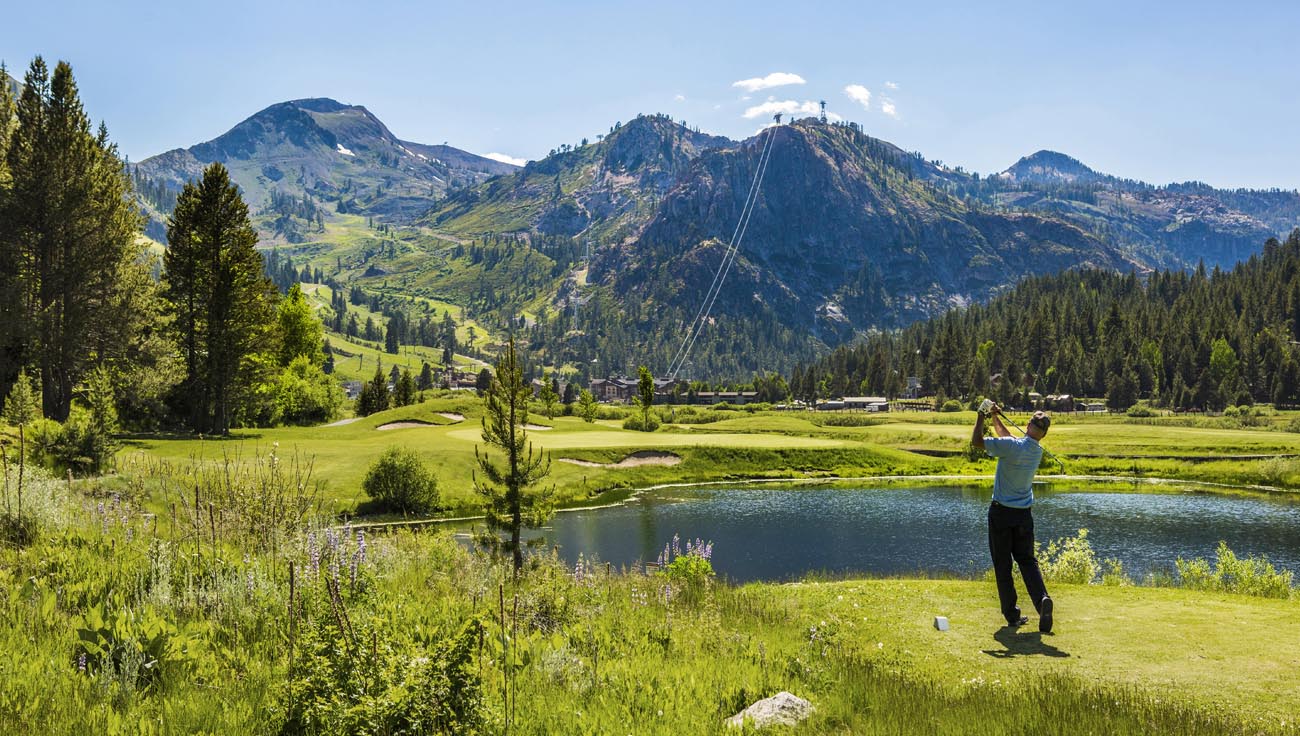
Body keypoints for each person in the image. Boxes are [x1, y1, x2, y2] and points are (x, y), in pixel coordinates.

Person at [972, 402, 1054, 633]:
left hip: (1001, 514)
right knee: (1027, 561)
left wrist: (981, 415)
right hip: (1024, 515)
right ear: (1043, 434)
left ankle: (1012, 615)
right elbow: (1008, 439)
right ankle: (1042, 600)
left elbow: (977, 442)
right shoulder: (1036, 451)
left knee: (1003, 565)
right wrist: (996, 417)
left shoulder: (1011, 446)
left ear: (1028, 424)